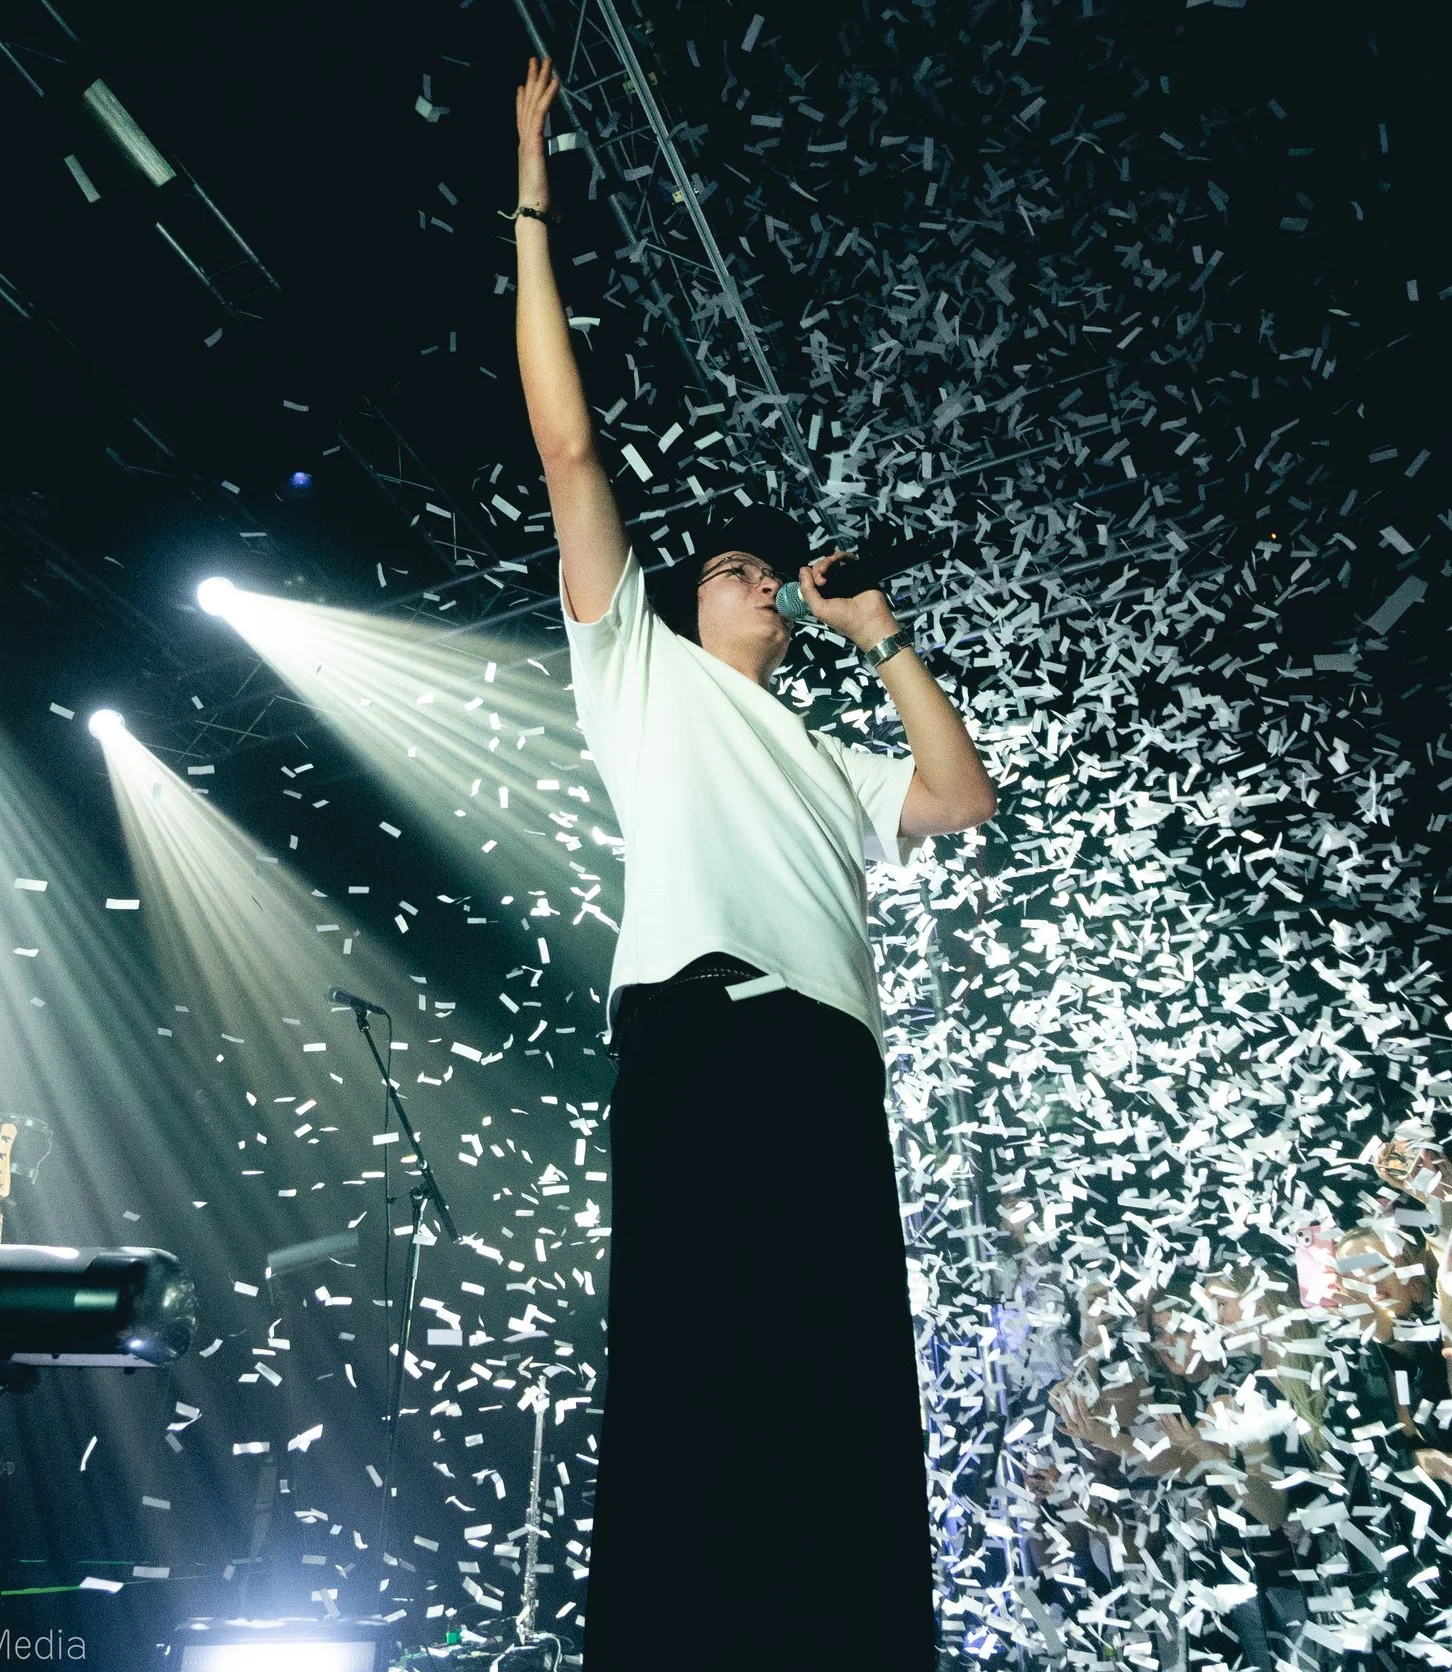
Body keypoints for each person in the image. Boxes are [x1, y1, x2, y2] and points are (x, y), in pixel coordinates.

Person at [509, 57, 998, 1668]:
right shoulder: (636, 671)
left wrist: (884, 634)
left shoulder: (833, 757)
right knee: (697, 1369)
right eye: (733, 566)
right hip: (700, 1030)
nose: (761, 581)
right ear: (687, 600)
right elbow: (571, 453)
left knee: (834, 1383)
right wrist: (531, 179)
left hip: (825, 1056)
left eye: (768, 573)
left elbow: (961, 800)